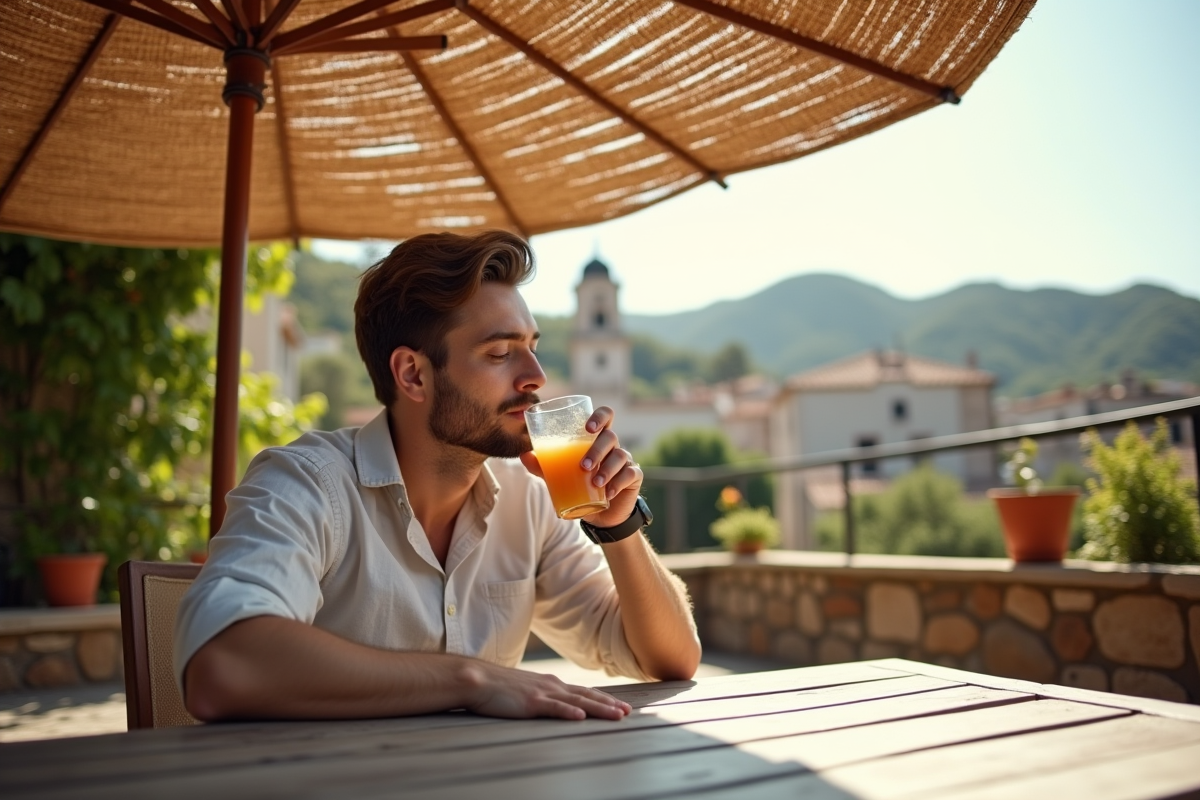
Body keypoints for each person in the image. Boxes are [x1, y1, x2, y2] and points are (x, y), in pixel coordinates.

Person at [176, 230, 701, 723]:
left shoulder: (531, 499)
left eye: (532, 346)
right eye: (499, 353)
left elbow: (669, 659)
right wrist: (470, 680)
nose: (536, 376)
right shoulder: (305, 485)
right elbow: (223, 664)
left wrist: (619, 526)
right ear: (413, 374)